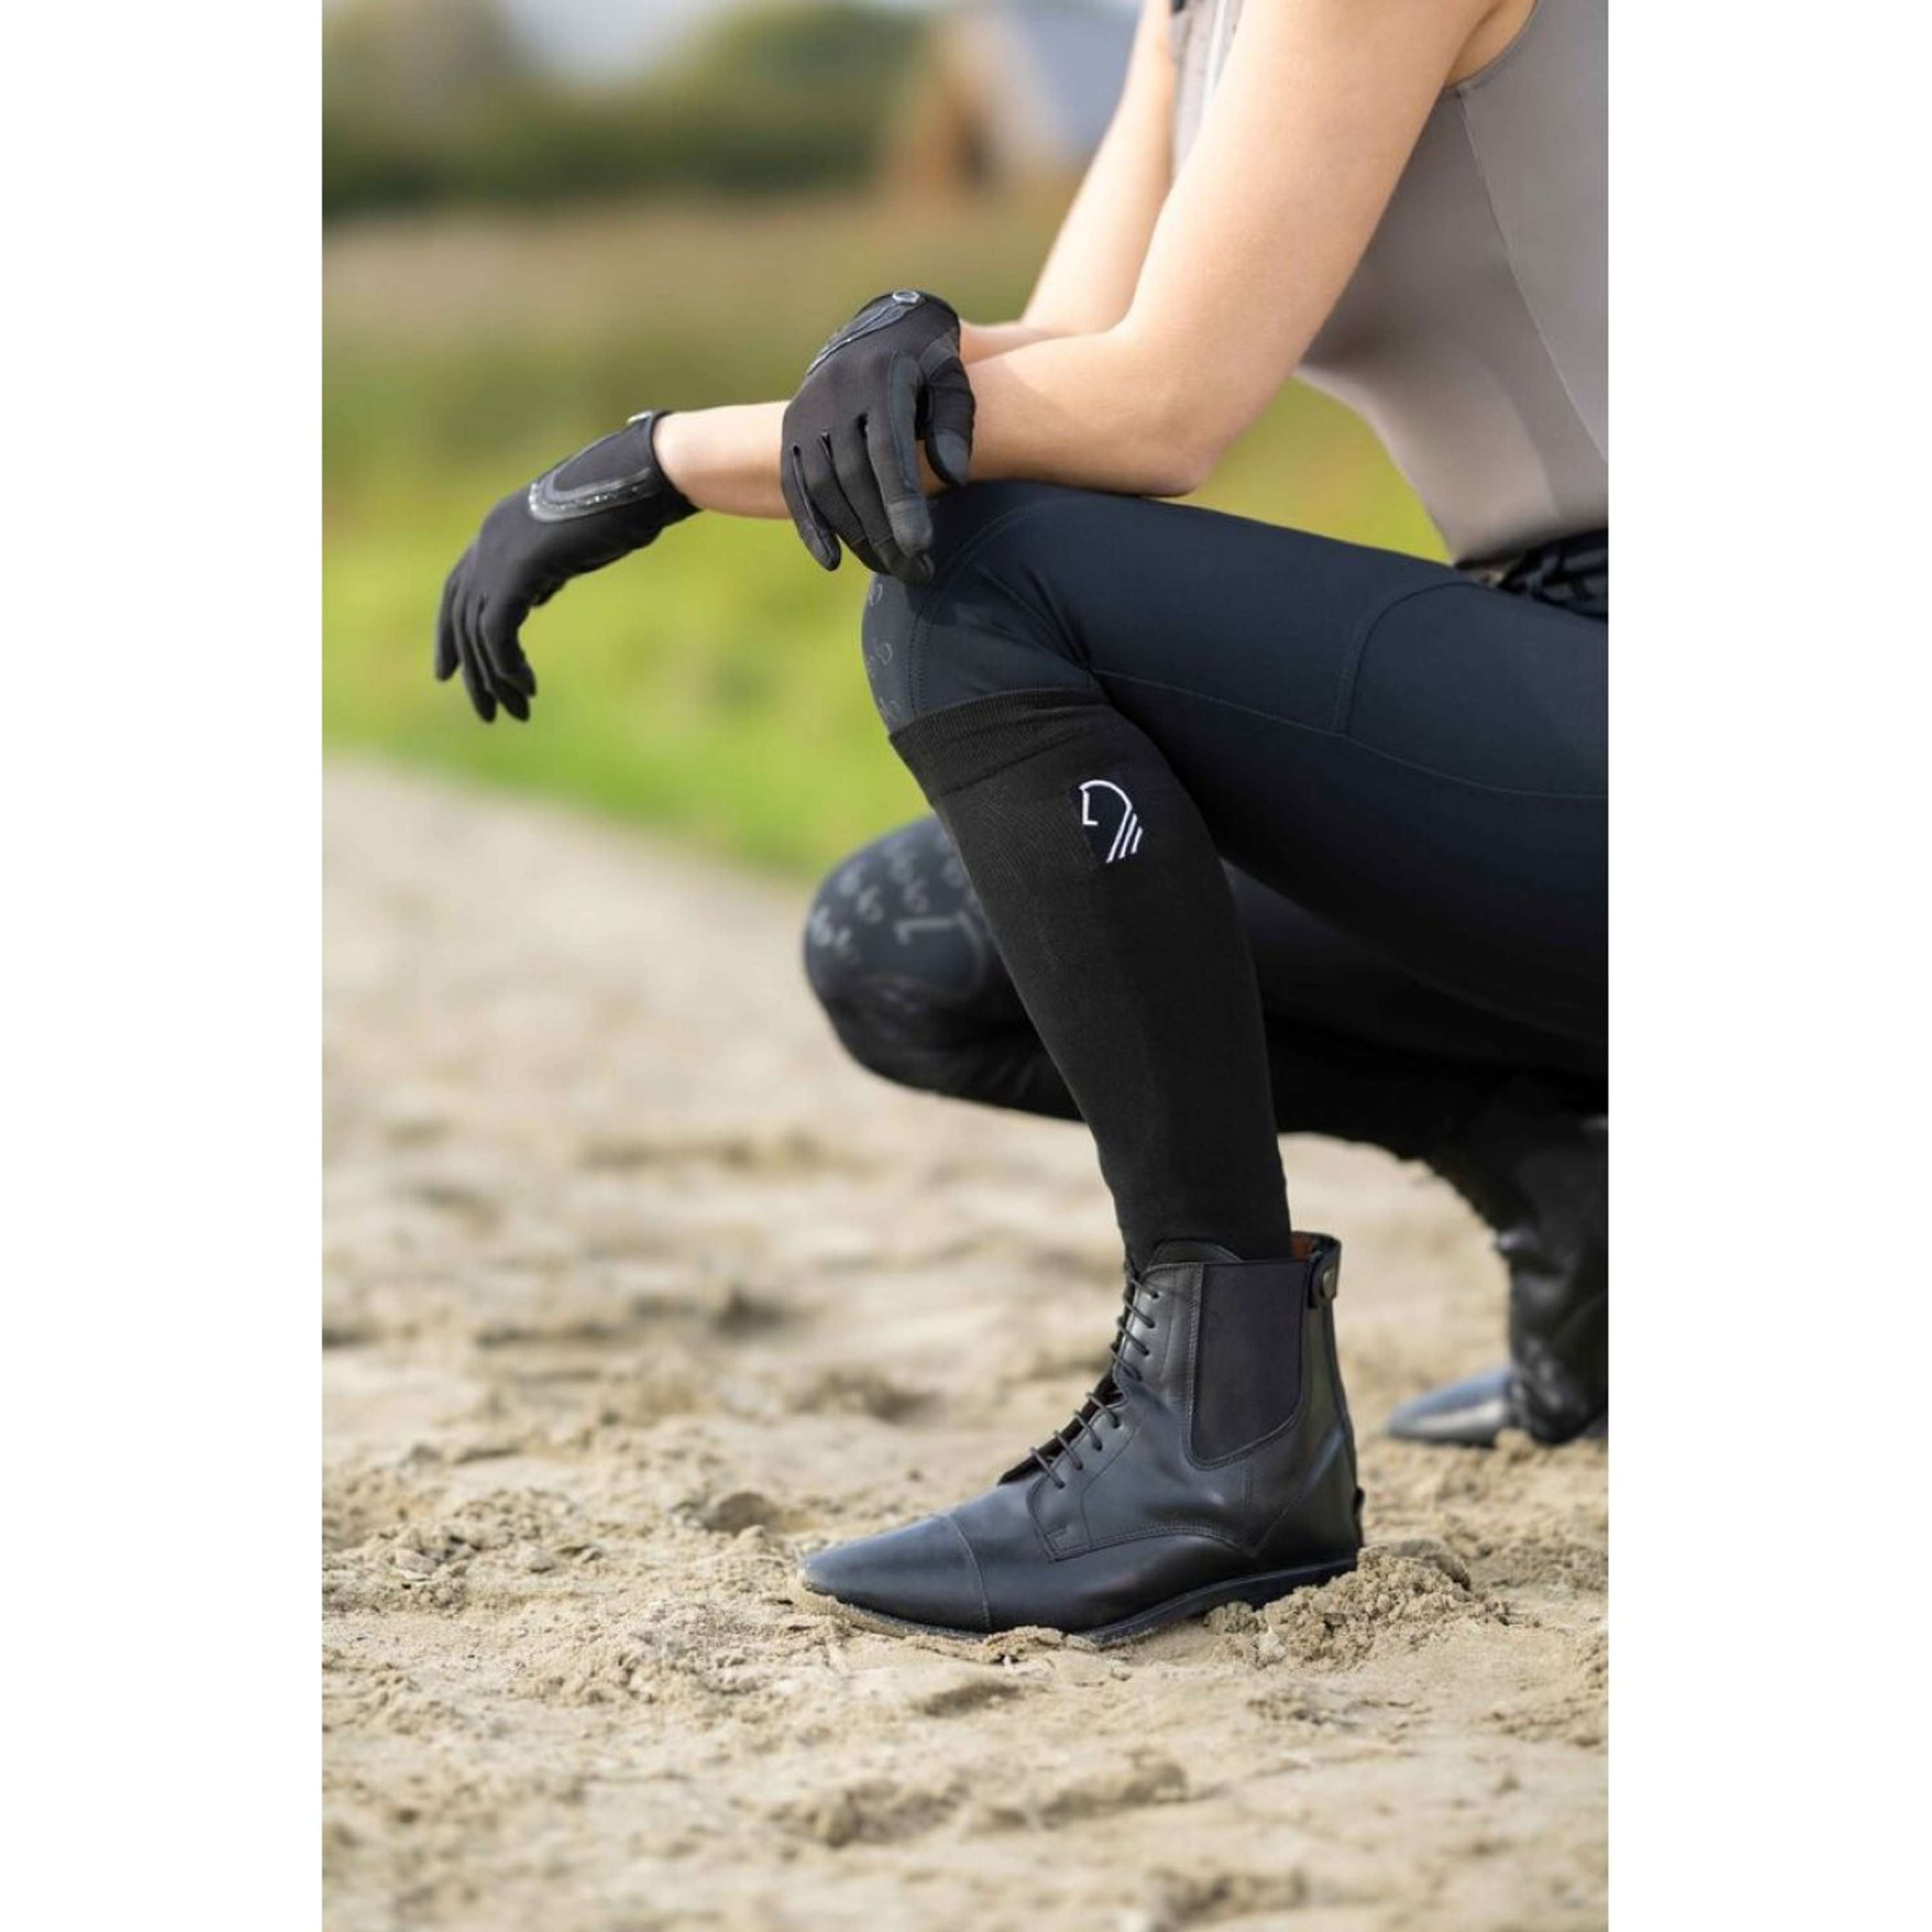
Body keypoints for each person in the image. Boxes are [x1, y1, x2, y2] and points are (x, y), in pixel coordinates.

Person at [435, 0, 1606, 1642]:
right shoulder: (1187, 18)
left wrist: (651, 462)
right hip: (1557, 699)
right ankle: (1571, 1192)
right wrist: (901, 338)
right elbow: (1080, 348)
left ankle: (1221, 1427)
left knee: (982, 582)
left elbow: (1158, 411)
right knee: (911, 950)